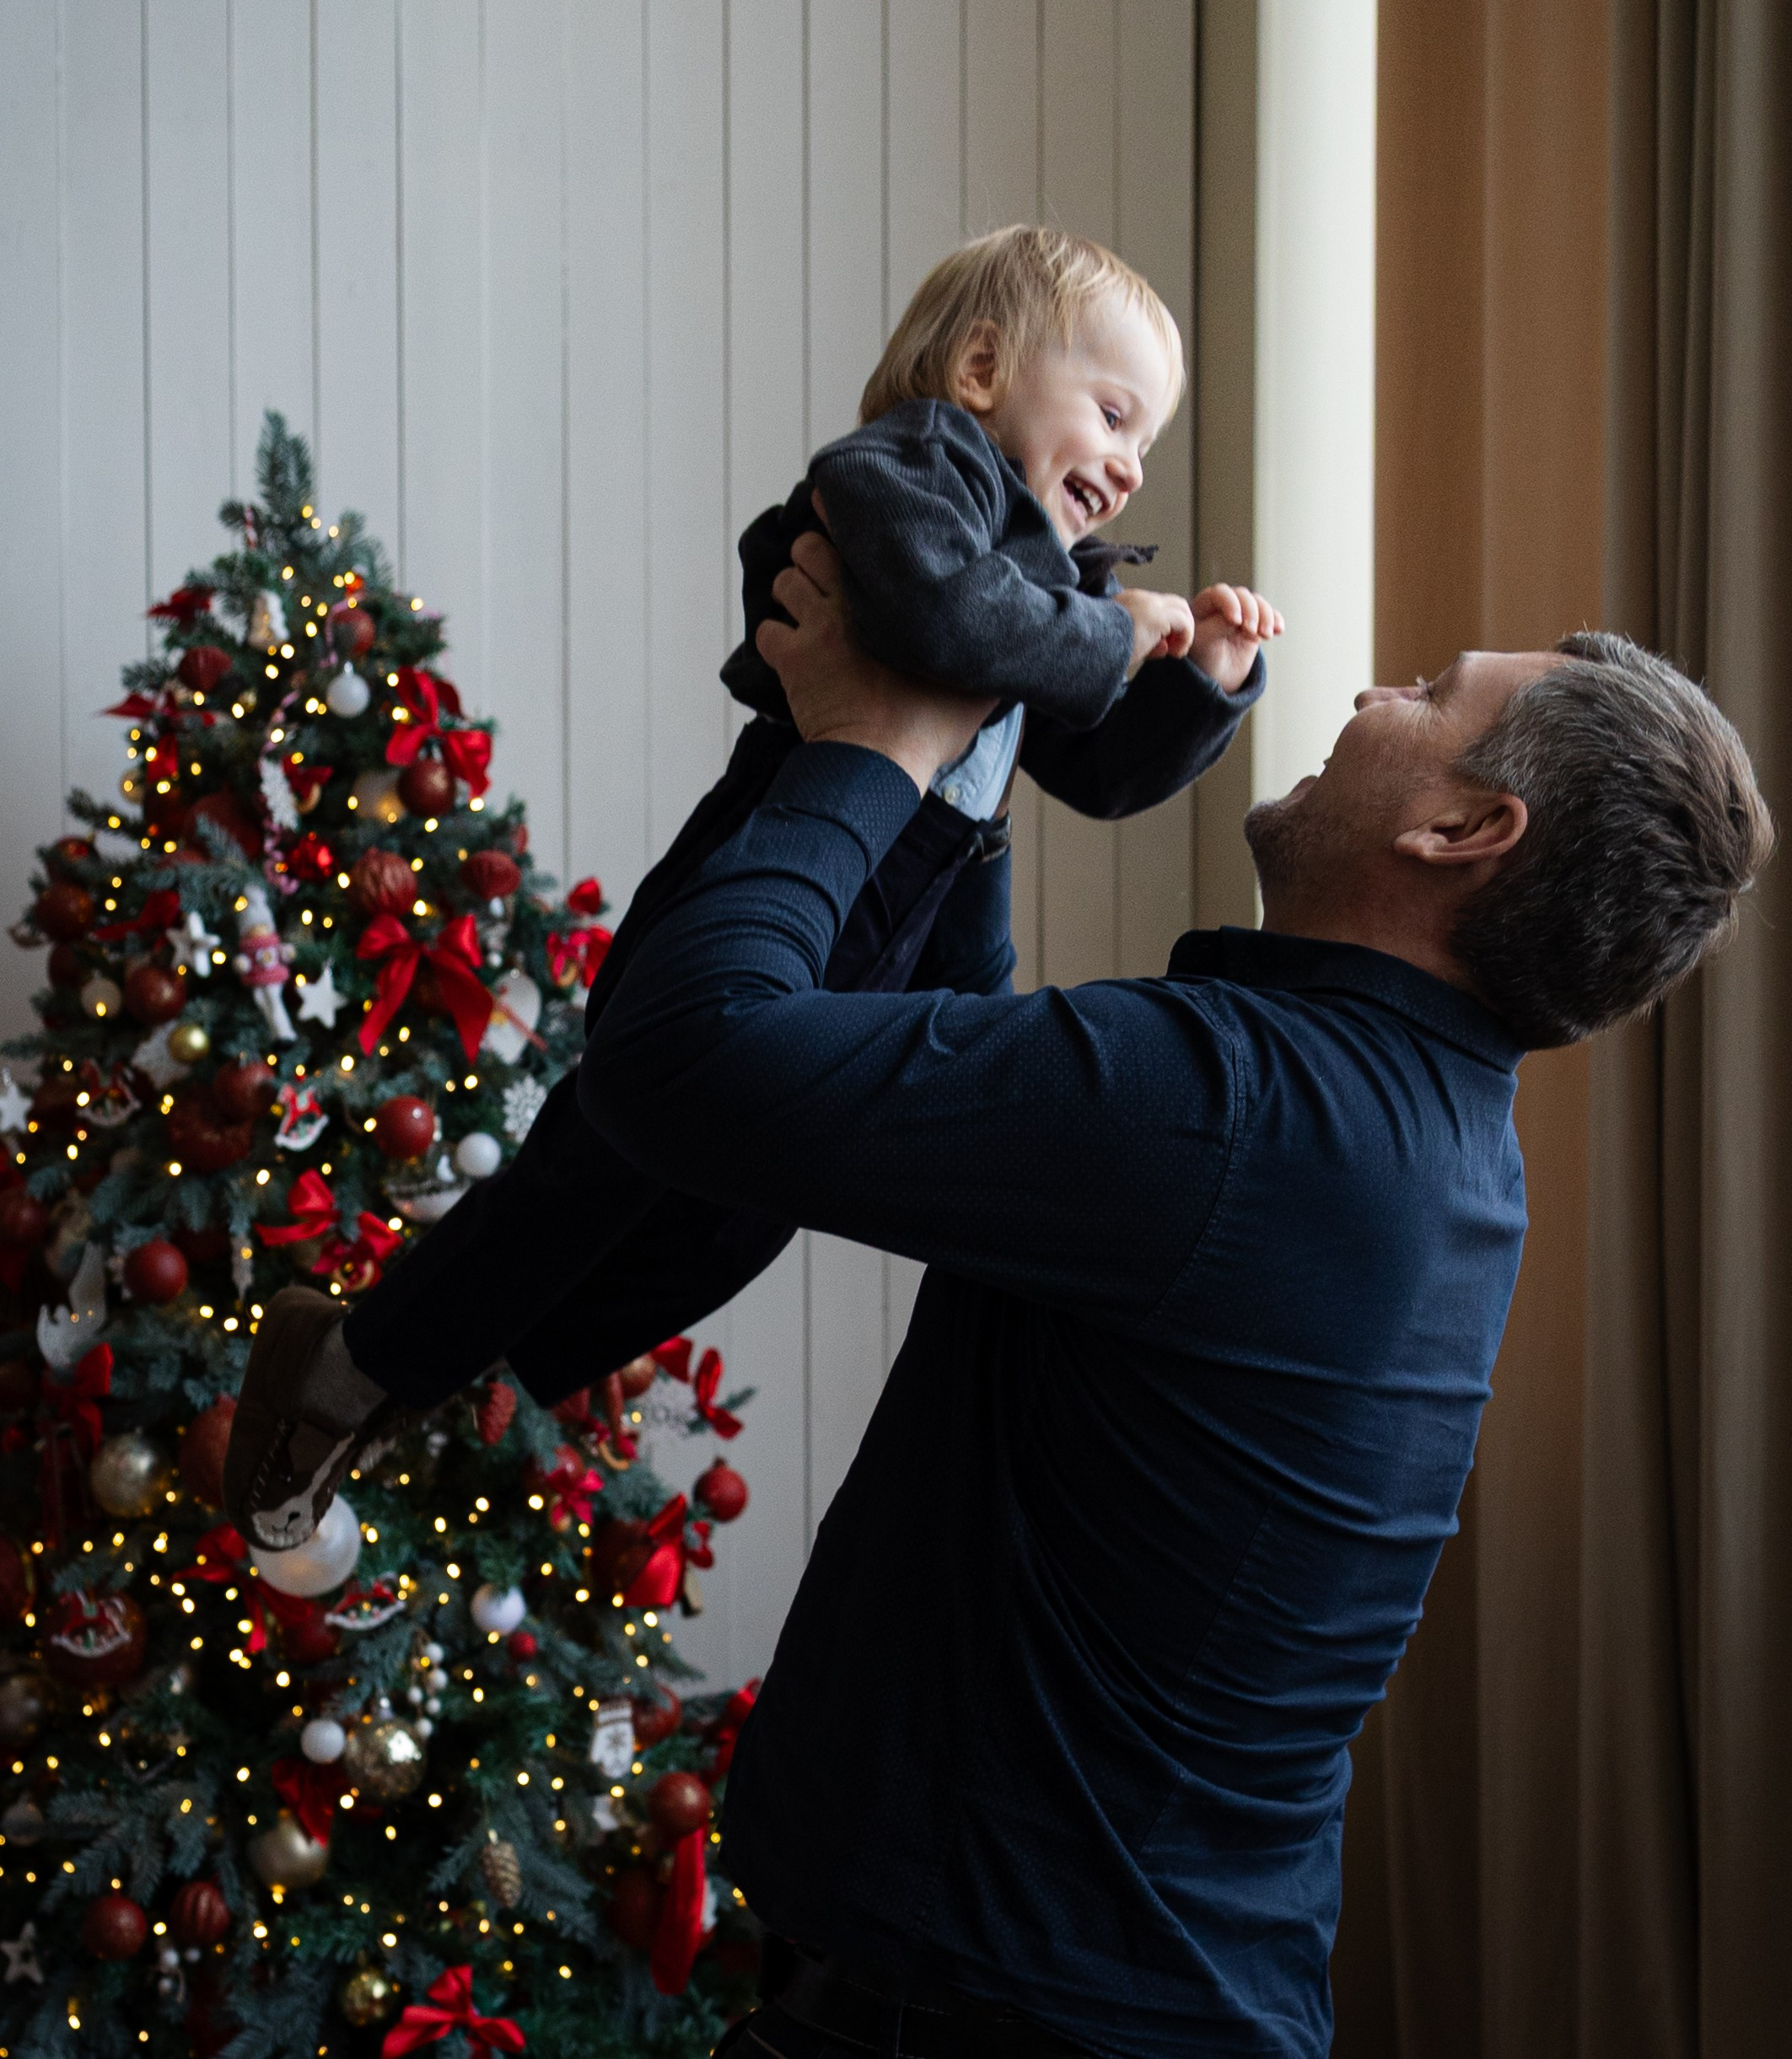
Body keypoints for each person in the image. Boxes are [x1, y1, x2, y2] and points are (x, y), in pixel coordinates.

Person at [236, 514, 1769, 2055]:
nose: (1374, 694)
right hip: (1085, 1994)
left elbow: (679, 1060)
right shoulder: (1395, 1127)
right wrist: (964, 781)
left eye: (1429, 693)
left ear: (1461, 830)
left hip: (995, 2017)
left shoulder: (1238, 1110)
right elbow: (975, 1079)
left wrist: (859, 748)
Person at [226, 228, 1280, 1547]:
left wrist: (1206, 683)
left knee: (739, 1217)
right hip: (776, 864)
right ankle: (363, 1358)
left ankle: (457, 1360)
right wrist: (1103, 632)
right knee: (604, 1163)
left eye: (1146, 444)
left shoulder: (1047, 586)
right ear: (977, 366)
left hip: (902, 923)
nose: (1129, 465)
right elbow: (947, 623)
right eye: (1114, 414)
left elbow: (1103, 772)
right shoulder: (909, 473)